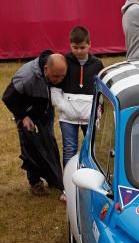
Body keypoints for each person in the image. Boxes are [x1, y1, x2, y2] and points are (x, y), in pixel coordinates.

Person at [2, 51, 67, 195]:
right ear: (45, 69)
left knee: (48, 143)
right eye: (56, 76)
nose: (59, 80)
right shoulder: (26, 78)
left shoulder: (57, 68)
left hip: (44, 109)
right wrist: (23, 116)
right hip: (25, 112)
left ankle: (52, 178)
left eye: (62, 76)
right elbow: (8, 98)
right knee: (30, 147)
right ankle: (35, 182)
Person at [51, 26, 104, 169]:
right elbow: (55, 87)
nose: (79, 51)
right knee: (69, 150)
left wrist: (96, 112)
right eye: (75, 47)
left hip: (90, 118)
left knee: (93, 151)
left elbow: (102, 91)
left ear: (89, 45)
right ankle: (68, 188)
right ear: (70, 45)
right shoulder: (64, 61)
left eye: (82, 47)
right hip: (67, 118)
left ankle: (92, 182)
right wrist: (64, 107)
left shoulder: (97, 64)